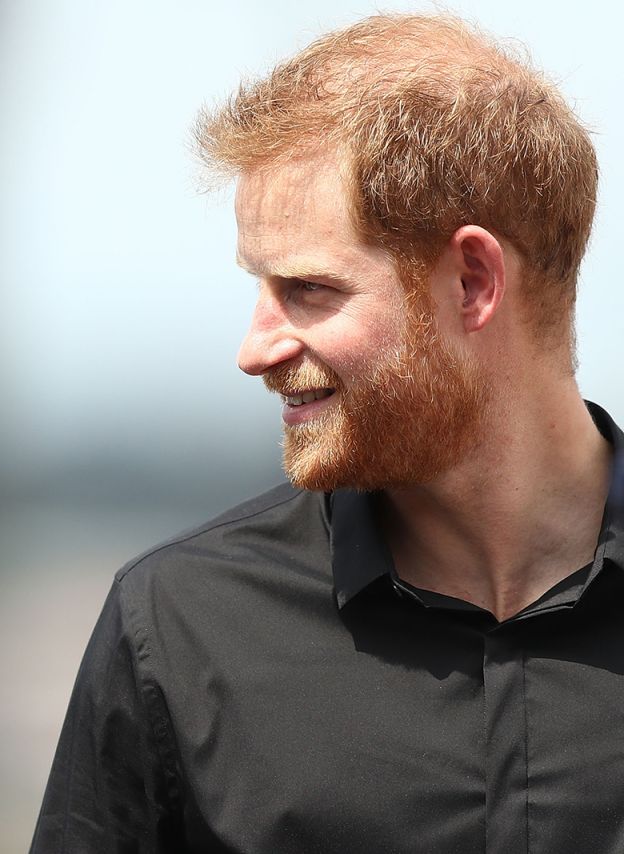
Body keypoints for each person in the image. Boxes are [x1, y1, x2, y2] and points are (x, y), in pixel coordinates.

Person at [31, 13, 621, 854]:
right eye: (260, 286)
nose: (254, 350)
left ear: (473, 282)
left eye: (307, 289)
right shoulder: (178, 629)